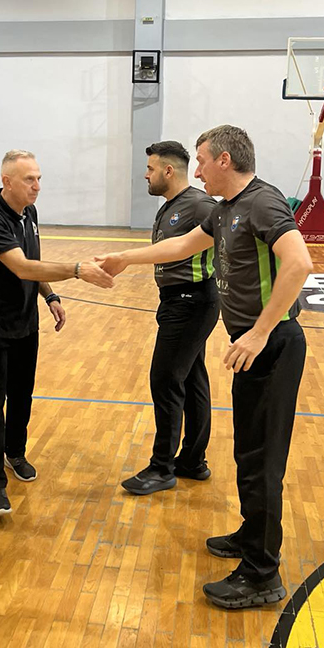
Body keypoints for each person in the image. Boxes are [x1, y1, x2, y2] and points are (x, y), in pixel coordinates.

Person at [98, 126, 313, 610]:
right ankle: (252, 537)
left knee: (262, 464)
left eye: (200, 160)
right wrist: (124, 258)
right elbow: (180, 247)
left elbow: (299, 264)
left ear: (224, 160)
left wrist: (259, 332)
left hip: (273, 345)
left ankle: (262, 575)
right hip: (252, 347)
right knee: (247, 456)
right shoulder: (224, 209)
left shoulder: (262, 202)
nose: (196, 171)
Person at [0, 150, 114, 518]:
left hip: (25, 323)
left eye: (38, 178)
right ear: (7, 182)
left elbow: (34, 263)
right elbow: (21, 267)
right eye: (29, 179)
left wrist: (50, 296)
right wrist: (77, 269)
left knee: (22, 395)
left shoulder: (29, 213)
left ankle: (14, 453)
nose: (37, 186)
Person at [121, 141, 220, 496]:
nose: (145, 175)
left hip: (191, 302)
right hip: (180, 301)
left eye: (150, 169)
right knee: (192, 380)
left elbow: (225, 236)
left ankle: (162, 467)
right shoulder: (171, 206)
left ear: (168, 170)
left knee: (165, 381)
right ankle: (192, 461)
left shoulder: (199, 205)